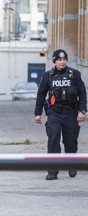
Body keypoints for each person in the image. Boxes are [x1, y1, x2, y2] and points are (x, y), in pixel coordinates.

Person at [34, 49, 87, 180]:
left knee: (70, 141)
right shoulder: (48, 76)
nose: (62, 62)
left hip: (70, 112)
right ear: (54, 61)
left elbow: (82, 93)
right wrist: (38, 113)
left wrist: (82, 111)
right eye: (59, 59)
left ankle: (72, 164)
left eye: (64, 59)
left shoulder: (74, 74)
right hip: (54, 112)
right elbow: (41, 94)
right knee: (53, 139)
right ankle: (52, 170)